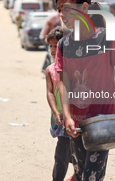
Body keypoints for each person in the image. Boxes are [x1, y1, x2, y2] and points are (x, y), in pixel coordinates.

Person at [54, 0, 115, 181]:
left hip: (103, 124)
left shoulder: (106, 39)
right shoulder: (63, 45)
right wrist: (67, 116)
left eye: (65, 7)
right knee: (82, 173)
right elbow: (63, 84)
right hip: (76, 124)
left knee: (90, 176)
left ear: (83, 8)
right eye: (58, 10)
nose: (61, 14)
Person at [45, 26, 74, 181]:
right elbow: (50, 92)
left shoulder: (75, 67)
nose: (54, 49)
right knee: (61, 154)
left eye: (57, 46)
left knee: (75, 153)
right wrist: (56, 111)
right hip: (61, 119)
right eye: (51, 46)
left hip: (76, 118)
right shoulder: (50, 70)